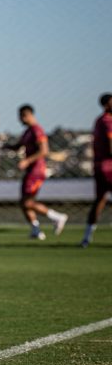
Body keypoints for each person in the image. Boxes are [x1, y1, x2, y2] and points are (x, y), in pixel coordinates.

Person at [4, 105, 68, 240]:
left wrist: (27, 161)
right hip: (30, 171)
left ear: (27, 115)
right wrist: (7, 146)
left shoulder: (37, 130)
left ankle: (57, 217)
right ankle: (35, 230)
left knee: (27, 202)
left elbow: (44, 150)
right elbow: (18, 146)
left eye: (21, 116)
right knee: (23, 201)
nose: (19, 119)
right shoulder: (27, 132)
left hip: (36, 170)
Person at [80, 93, 112, 248]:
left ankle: (87, 237)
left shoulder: (99, 120)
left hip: (99, 167)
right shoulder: (108, 121)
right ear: (107, 105)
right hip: (110, 167)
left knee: (99, 201)